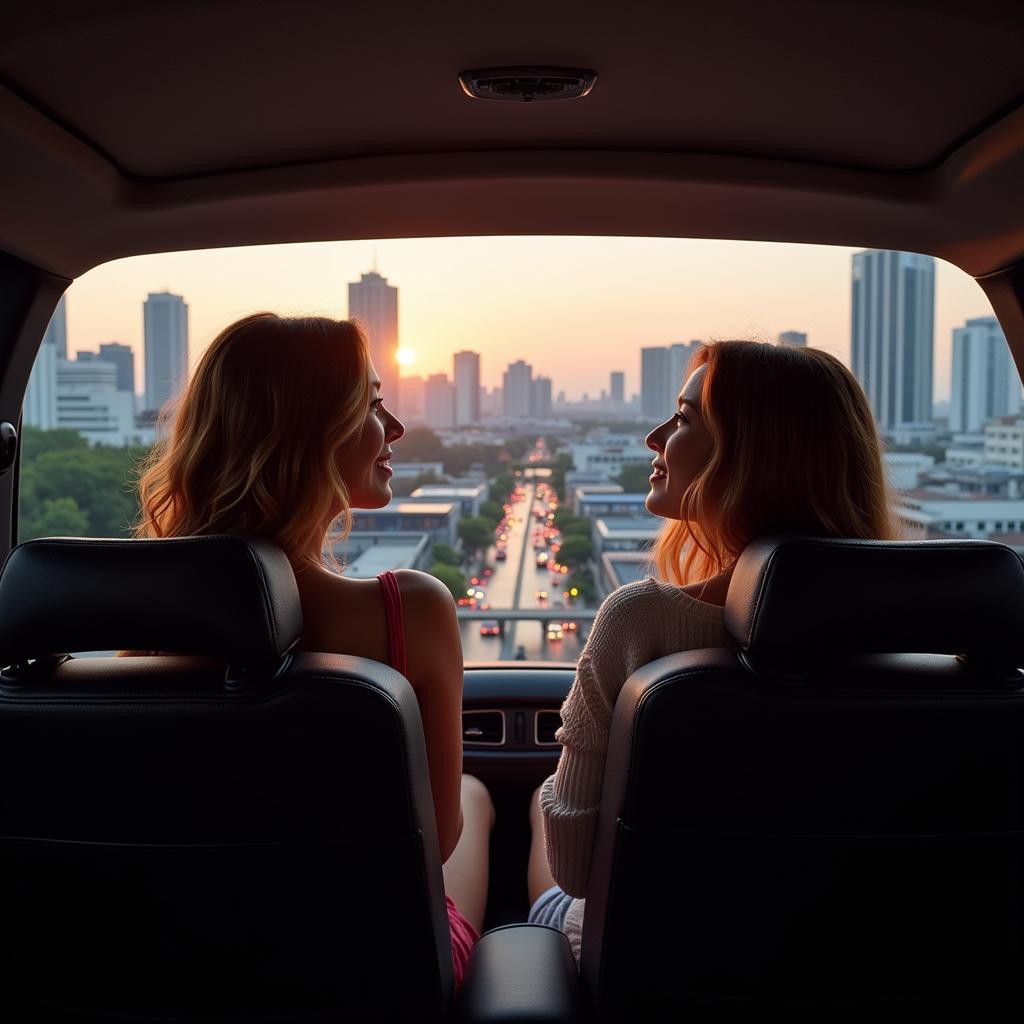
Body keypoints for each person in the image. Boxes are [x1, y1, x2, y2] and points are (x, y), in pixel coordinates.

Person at [133, 312, 492, 986]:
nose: (396, 429)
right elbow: (435, 844)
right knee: (471, 796)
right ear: (309, 433)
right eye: (372, 405)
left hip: (178, 965)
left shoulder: (135, 615)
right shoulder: (407, 611)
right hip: (367, 966)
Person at [526, 339, 897, 961]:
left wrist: (558, 781)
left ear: (748, 457)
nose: (654, 437)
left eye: (683, 418)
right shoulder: (920, 633)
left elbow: (575, 867)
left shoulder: (642, 621)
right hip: (856, 960)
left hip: (661, 962)